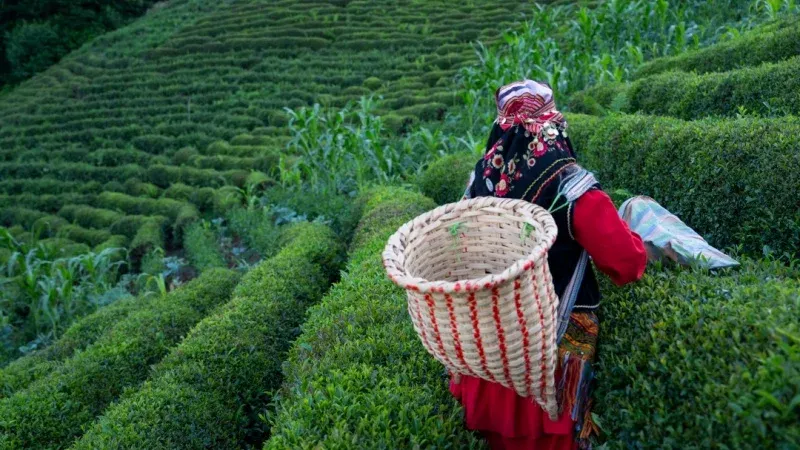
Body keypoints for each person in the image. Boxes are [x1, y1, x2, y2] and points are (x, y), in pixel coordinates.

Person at [453, 80, 647, 450]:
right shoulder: (571, 189)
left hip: (490, 355)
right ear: (552, 122)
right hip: (548, 364)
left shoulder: (479, 183)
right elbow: (627, 264)